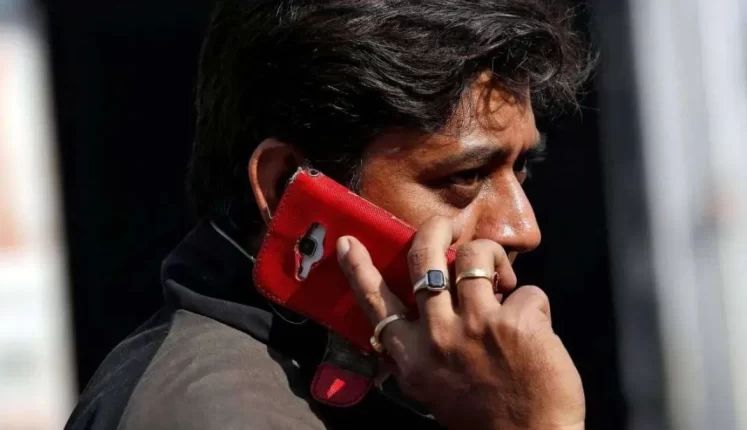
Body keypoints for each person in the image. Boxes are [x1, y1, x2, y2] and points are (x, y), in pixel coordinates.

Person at [65, 0, 594, 429]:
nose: (523, 228)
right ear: (284, 186)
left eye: (521, 168)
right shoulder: (208, 413)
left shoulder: (425, 381)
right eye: (466, 176)